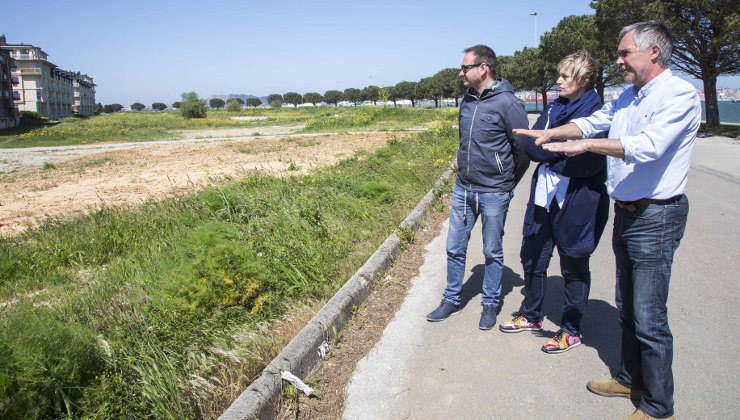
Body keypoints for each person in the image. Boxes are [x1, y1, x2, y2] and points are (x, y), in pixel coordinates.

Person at [513, 22, 700, 420]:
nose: (618, 61)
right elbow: (594, 122)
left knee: (650, 316)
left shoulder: (679, 94)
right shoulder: (628, 97)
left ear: (653, 52)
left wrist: (583, 145)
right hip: (628, 212)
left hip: (657, 215)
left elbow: (647, 147)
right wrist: (550, 134)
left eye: (624, 53)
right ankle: (630, 378)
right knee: (627, 307)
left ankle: (657, 407)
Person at [498, 50, 610, 355]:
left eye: (565, 76)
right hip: (544, 195)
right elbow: (531, 147)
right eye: (559, 75)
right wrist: (562, 150)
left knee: (573, 263)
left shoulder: (596, 111)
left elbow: (587, 162)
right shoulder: (553, 107)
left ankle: (570, 329)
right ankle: (531, 314)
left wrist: (553, 150)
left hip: (578, 198)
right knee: (532, 255)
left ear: (584, 79)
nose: (558, 81)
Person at [427, 44, 529, 330]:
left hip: (494, 192)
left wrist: (506, 183)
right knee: (454, 248)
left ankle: (490, 302)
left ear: (483, 68)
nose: (461, 72)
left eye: (465, 67)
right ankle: (451, 299)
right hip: (464, 189)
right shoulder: (468, 99)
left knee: (492, 251)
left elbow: (522, 150)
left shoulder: (509, 103)